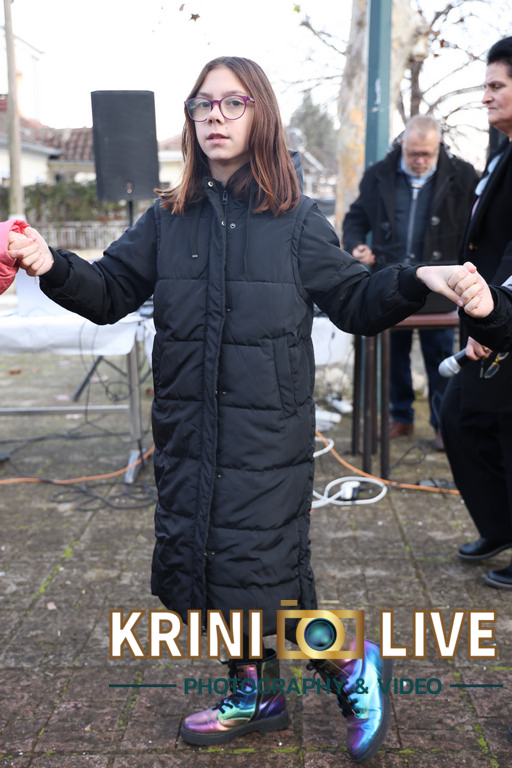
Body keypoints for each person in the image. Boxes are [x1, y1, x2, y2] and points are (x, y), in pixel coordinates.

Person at [7, 56, 471, 763]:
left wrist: (416, 279)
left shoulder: (297, 222)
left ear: (262, 117)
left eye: (233, 103)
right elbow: (108, 293)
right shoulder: (166, 218)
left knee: (264, 577)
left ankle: (350, 661)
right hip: (189, 430)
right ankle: (256, 696)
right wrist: (51, 262)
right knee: (206, 568)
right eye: (203, 104)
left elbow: (355, 301)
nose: (215, 116)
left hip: (266, 436)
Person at [342, 115, 479, 449]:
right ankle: (401, 416)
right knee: (393, 354)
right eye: (413, 153)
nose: (419, 160)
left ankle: (442, 423)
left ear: (439, 146)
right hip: (391, 280)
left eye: (426, 154)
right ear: (402, 144)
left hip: (442, 285)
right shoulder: (378, 174)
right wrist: (356, 245)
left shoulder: (463, 175)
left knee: (440, 353)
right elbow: (356, 217)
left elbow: (479, 223)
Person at [440, 36, 512, 591]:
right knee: (461, 417)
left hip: (505, 320)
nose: (485, 96)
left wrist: (496, 320)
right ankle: (500, 526)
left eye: (496, 85)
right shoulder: (503, 153)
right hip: (491, 322)